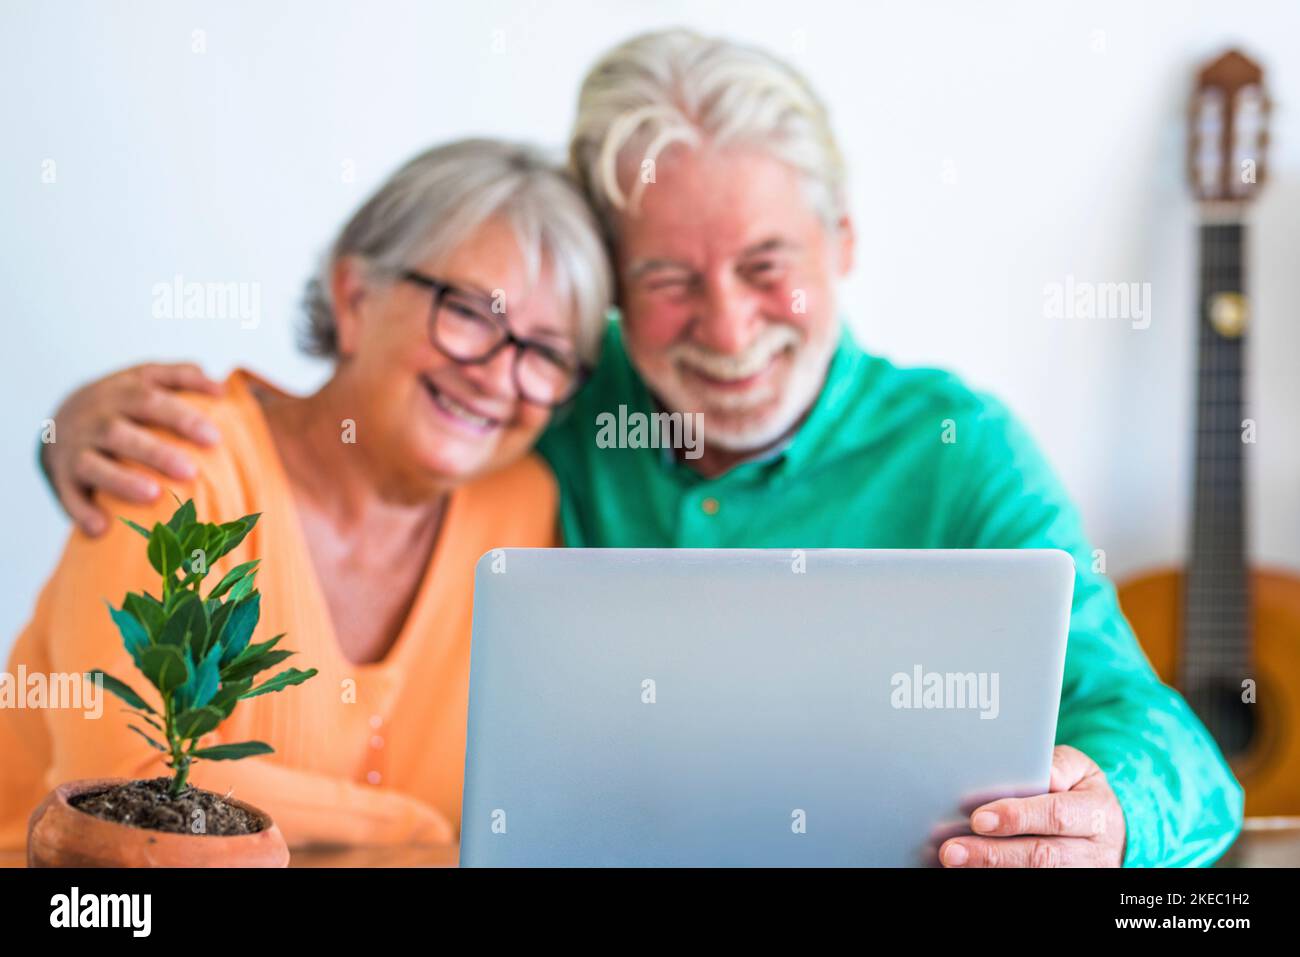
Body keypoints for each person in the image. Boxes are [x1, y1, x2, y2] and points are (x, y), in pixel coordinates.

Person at [33, 29, 1243, 867]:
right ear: (615, 292)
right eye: (667, 279)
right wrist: (69, 431)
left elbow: (1170, 741)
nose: (725, 329)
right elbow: (373, 417)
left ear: (845, 245)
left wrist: (1113, 818)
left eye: (767, 267)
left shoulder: (957, 453)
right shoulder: (549, 392)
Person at [0, 138, 611, 849]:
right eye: (471, 312)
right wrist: (415, 829)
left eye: (544, 353)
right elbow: (130, 798)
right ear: (353, 297)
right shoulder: (176, 460)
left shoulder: (523, 511)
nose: (499, 377)